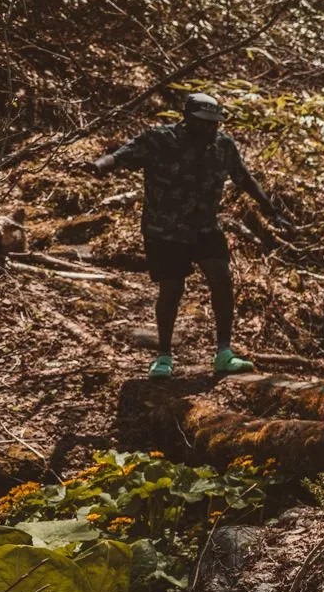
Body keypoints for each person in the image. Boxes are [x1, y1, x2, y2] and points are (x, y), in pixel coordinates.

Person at [90, 92, 286, 379]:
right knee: (172, 288)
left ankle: (224, 352)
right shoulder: (160, 140)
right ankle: (164, 356)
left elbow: (243, 178)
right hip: (164, 230)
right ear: (187, 118)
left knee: (221, 277)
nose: (210, 129)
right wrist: (97, 166)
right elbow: (120, 156)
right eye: (204, 123)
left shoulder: (223, 146)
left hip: (205, 227)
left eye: (215, 124)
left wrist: (270, 211)